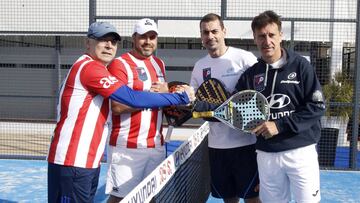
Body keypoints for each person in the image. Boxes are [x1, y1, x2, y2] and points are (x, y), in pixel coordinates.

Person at [47, 21, 194, 203]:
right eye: (103, 40)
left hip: (86, 158)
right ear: (88, 43)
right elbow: (129, 98)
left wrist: (172, 106)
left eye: (113, 42)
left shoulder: (96, 67)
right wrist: (179, 98)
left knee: (150, 196)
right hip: (74, 158)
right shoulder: (90, 68)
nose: (109, 46)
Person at [234, 10, 326, 203]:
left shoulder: (301, 66)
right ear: (255, 39)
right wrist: (195, 102)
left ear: (280, 35)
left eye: (271, 35)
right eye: (261, 36)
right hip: (267, 154)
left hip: (300, 151)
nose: (267, 41)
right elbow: (234, 106)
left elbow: (317, 107)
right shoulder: (251, 75)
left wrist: (279, 125)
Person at [190, 13, 260, 203]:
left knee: (253, 198)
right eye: (205, 32)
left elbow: (258, 95)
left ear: (224, 31)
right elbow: (195, 102)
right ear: (201, 36)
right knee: (229, 199)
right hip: (217, 147)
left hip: (246, 145)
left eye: (214, 31)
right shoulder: (199, 66)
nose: (210, 36)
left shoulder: (244, 58)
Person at [105, 18, 170, 202]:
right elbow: (116, 106)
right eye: (143, 37)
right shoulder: (120, 64)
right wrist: (152, 97)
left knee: (151, 198)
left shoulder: (159, 64)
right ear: (134, 38)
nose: (148, 42)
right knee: (120, 198)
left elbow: (162, 99)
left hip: (155, 146)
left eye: (152, 37)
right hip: (126, 147)